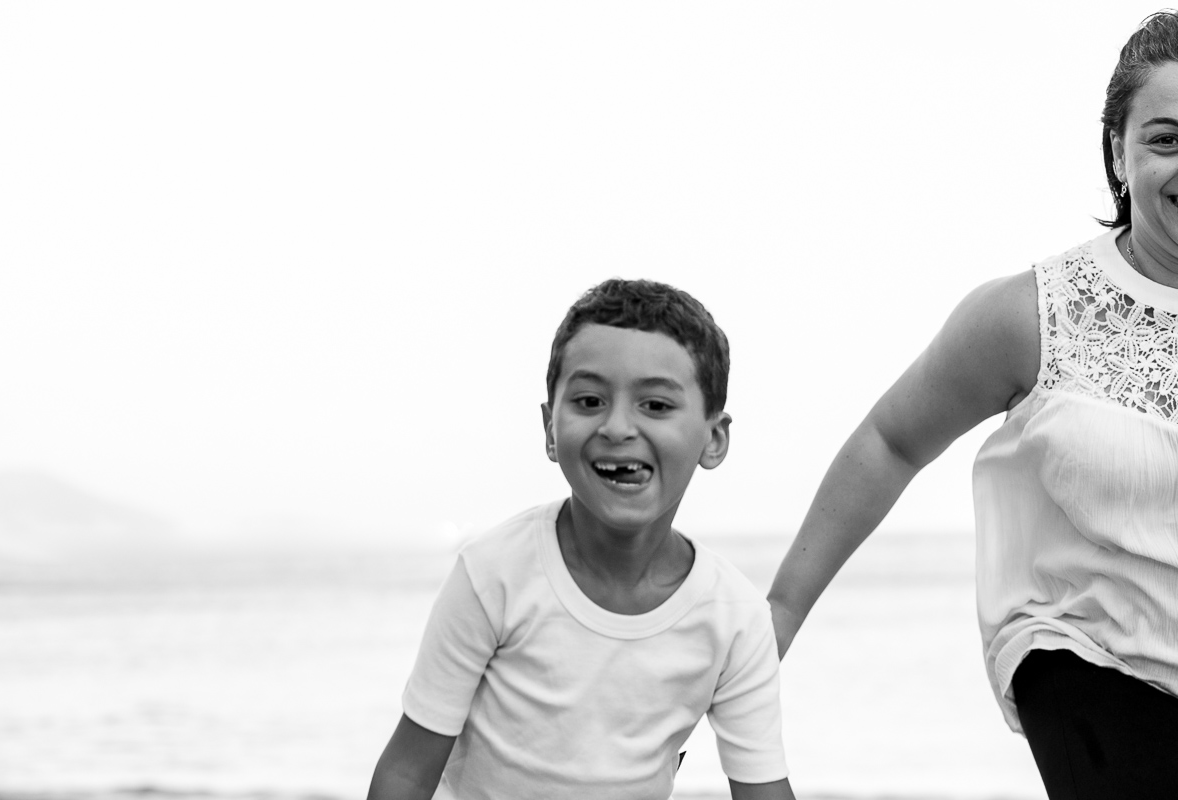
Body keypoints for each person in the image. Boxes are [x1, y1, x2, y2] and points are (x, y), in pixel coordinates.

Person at [766, 11, 1178, 799]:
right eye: (1166, 137)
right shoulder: (1033, 314)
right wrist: (776, 619)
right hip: (1087, 675)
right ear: (1118, 157)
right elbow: (889, 442)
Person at [368, 279, 795, 800]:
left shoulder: (735, 618)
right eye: (590, 400)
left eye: (656, 406)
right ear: (550, 428)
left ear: (714, 438)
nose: (617, 427)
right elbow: (407, 775)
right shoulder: (492, 575)